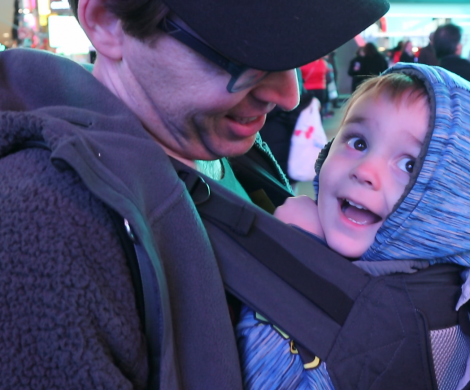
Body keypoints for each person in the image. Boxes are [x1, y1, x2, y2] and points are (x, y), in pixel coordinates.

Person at [0, 0, 391, 388]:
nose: (289, 95)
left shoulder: (225, 145)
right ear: (107, 22)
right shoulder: (45, 223)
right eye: (246, 54)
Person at [237, 64, 470, 389]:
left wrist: (292, 257)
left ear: (454, 202)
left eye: (410, 165)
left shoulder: (398, 320)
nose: (366, 170)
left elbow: (260, 378)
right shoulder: (437, 283)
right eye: (358, 143)